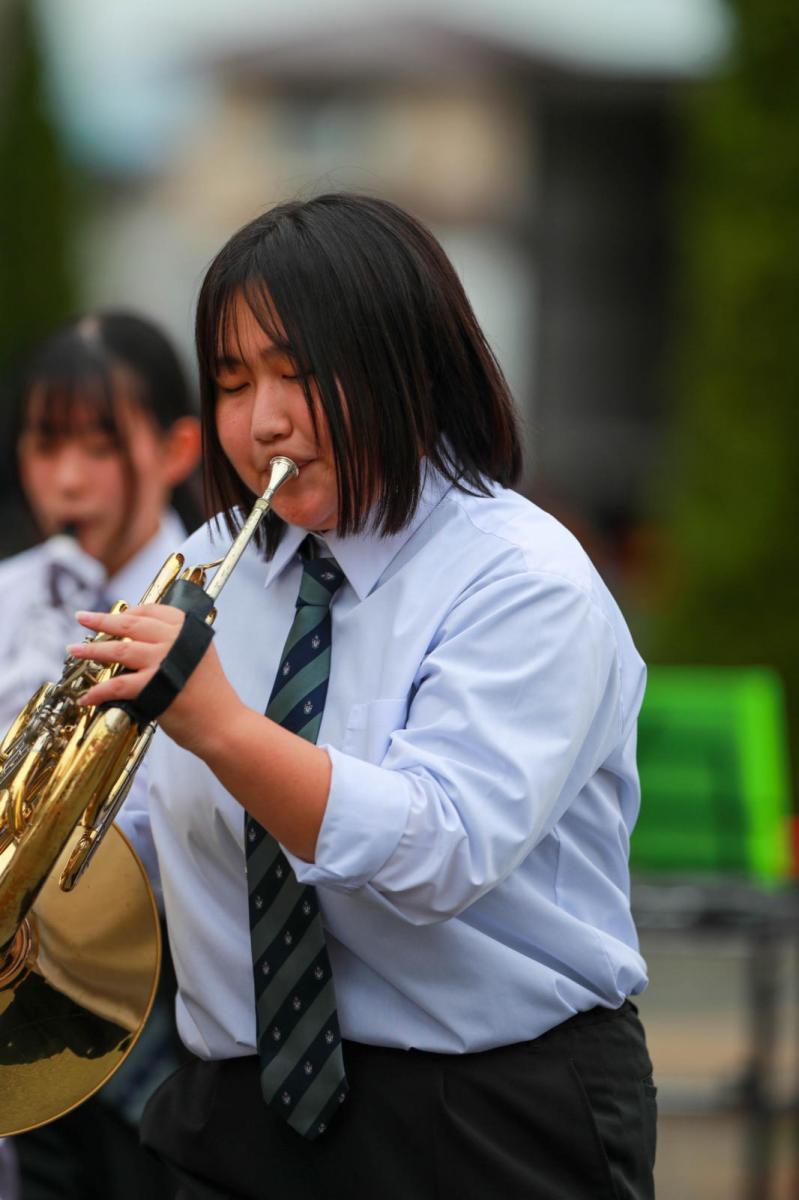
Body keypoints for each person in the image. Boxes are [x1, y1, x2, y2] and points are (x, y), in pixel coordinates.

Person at [70, 194, 657, 1200]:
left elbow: (437, 851)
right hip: (235, 1115)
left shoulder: (523, 578)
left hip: (488, 1118)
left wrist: (216, 725)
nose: (264, 421)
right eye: (233, 381)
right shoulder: (208, 562)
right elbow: (137, 834)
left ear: (409, 366)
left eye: (302, 374)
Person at [0, 311, 202, 1200]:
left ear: (176, 450)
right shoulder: (10, 598)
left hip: (172, 1002)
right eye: (45, 448)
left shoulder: (215, 591)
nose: (67, 481)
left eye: (99, 446)